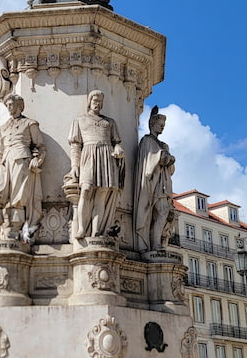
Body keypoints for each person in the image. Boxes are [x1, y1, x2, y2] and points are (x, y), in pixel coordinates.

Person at [0, 93, 46, 241]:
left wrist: (37, 159)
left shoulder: (30, 124)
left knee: (17, 198)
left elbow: (41, 146)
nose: (8, 108)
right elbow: (0, 151)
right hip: (5, 162)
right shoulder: (3, 128)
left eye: (11, 105)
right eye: (7, 105)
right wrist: (0, 163)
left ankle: (14, 231)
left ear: (19, 106)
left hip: (21, 159)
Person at [65, 90, 124, 241]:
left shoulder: (109, 122)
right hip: (88, 156)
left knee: (101, 195)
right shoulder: (80, 120)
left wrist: (118, 148)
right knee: (85, 190)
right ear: (89, 102)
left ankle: (97, 231)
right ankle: (81, 228)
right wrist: (75, 166)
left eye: (100, 101)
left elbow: (116, 142)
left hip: (106, 157)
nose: (97, 104)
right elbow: (75, 145)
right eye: (95, 101)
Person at [134, 106, 176, 253]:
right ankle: (155, 245)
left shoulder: (163, 144)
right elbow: (151, 161)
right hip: (152, 184)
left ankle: (156, 244)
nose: (162, 127)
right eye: (160, 124)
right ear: (152, 124)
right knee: (161, 211)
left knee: (162, 212)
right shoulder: (147, 141)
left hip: (163, 183)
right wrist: (165, 157)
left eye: (164, 125)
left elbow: (170, 167)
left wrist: (167, 158)